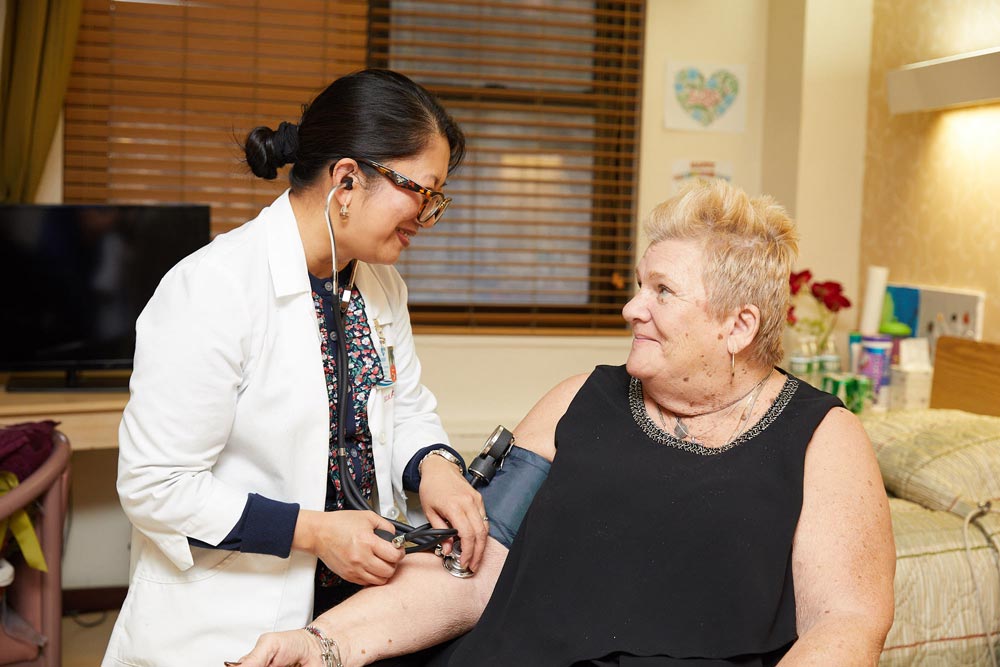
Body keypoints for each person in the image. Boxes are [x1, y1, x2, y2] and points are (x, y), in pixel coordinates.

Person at [237, 179, 896, 666]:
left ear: (738, 325)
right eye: (641, 284)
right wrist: (325, 642)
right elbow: (470, 567)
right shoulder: (580, 400)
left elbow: (845, 625)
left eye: (662, 291)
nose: (632, 308)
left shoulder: (822, 438)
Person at [102, 69, 490, 666]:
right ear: (347, 179)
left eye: (437, 197)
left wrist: (435, 466)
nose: (428, 215)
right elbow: (157, 485)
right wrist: (314, 532)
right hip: (228, 616)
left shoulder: (380, 284)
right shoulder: (215, 286)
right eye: (422, 191)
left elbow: (404, 405)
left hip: (354, 612)